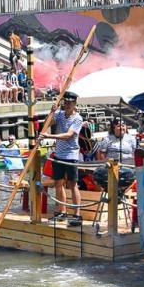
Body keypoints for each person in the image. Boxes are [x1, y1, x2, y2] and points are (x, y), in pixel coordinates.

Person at [44, 91, 87, 224]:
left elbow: (69, 135)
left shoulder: (78, 118)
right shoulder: (60, 115)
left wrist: (50, 136)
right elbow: (47, 123)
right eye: (66, 102)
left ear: (75, 104)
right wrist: (51, 112)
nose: (68, 105)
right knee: (58, 184)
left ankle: (77, 215)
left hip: (71, 155)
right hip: (59, 155)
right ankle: (62, 212)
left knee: (73, 185)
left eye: (70, 103)